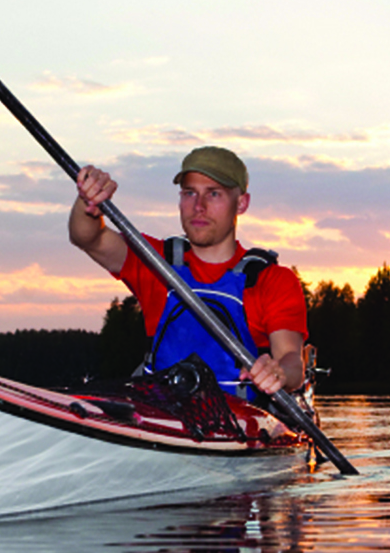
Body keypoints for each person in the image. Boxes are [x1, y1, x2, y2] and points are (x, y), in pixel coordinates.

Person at [70, 146, 307, 401]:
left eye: (214, 194)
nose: (199, 206)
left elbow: (291, 359)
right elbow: (87, 237)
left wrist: (279, 371)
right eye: (189, 193)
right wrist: (89, 201)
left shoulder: (271, 280)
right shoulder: (156, 262)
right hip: (162, 419)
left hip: (241, 426)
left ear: (241, 203)